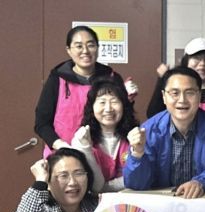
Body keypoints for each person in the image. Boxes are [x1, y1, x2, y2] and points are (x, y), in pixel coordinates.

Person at [123, 67, 205, 198]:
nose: (182, 100)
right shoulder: (149, 130)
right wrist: (137, 154)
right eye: (175, 93)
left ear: (199, 96)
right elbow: (136, 184)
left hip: (202, 201)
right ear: (164, 97)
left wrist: (201, 183)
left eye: (190, 93)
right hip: (162, 204)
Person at [34, 26, 136, 157]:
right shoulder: (57, 79)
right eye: (79, 46)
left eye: (91, 45)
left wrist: (128, 100)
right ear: (69, 50)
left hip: (104, 156)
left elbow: (124, 117)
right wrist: (61, 145)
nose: (85, 51)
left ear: (97, 47)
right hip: (63, 155)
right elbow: (42, 123)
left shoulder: (112, 77)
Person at [71, 77, 139, 192]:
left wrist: (106, 188)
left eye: (114, 101)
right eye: (102, 102)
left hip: (130, 200)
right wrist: (85, 149)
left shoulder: (135, 135)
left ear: (124, 106)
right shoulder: (82, 139)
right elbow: (95, 187)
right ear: (92, 107)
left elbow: (137, 178)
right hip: (93, 202)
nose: (108, 109)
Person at [146, 37, 205, 123]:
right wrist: (163, 80)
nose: (202, 63)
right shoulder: (173, 91)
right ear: (186, 62)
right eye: (197, 58)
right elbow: (153, 116)